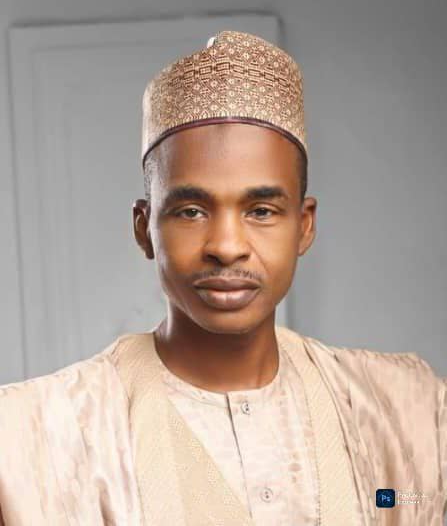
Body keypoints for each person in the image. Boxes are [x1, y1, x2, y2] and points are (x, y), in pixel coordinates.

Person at [0, 30, 445, 526]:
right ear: (144, 229)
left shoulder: (407, 411)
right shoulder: (34, 437)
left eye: (261, 210)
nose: (227, 246)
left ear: (304, 225)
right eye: (191, 211)